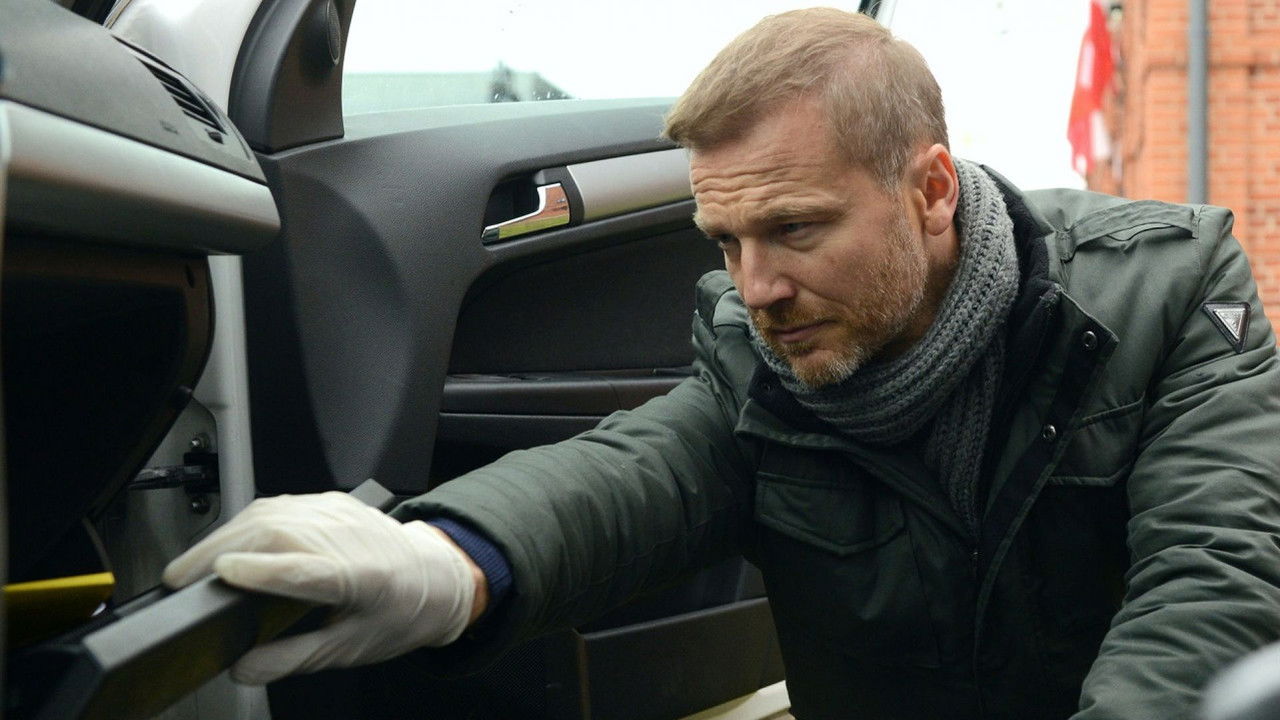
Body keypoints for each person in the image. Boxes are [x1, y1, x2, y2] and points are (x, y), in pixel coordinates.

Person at [163, 8, 1280, 719]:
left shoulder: (1172, 292)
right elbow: (643, 473)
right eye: (726, 241)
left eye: (793, 229)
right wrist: (447, 558)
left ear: (931, 190)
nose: (757, 287)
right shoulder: (758, 350)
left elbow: (1215, 575)